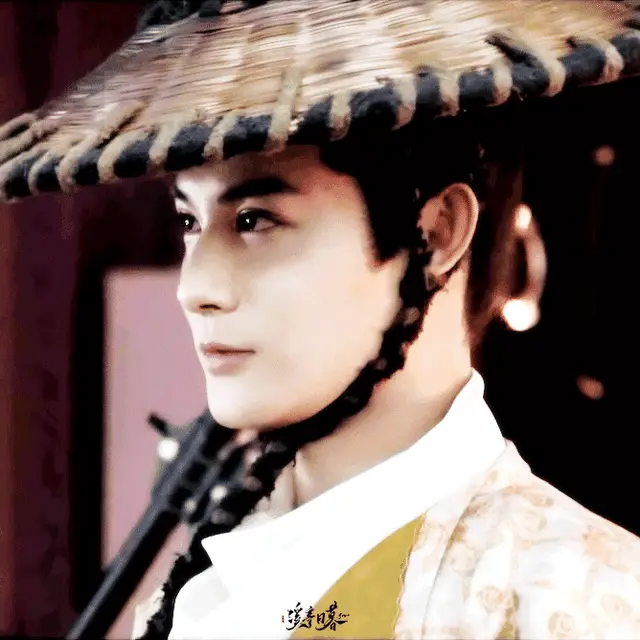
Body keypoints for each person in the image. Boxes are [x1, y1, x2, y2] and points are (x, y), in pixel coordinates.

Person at [1, 1, 640, 638]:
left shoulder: (576, 597)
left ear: (437, 232)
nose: (195, 289)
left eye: (255, 220)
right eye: (190, 220)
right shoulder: (212, 588)